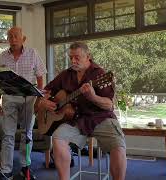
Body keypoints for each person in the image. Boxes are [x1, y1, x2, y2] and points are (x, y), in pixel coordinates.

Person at [35, 42, 127, 180]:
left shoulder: (100, 75)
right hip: (76, 119)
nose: (73, 61)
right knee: (58, 138)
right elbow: (45, 91)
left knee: (119, 147)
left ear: (88, 56)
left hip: (100, 118)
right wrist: (43, 102)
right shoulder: (66, 75)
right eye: (71, 57)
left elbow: (109, 105)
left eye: (77, 57)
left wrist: (93, 97)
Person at [0, 26, 47, 180]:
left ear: (23, 38)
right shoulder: (2, 56)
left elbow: (40, 76)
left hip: (29, 98)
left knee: (27, 134)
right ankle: (6, 170)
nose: (13, 39)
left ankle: (25, 167)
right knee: (8, 135)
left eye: (16, 36)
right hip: (9, 98)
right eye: (10, 36)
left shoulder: (32, 53)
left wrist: (39, 99)